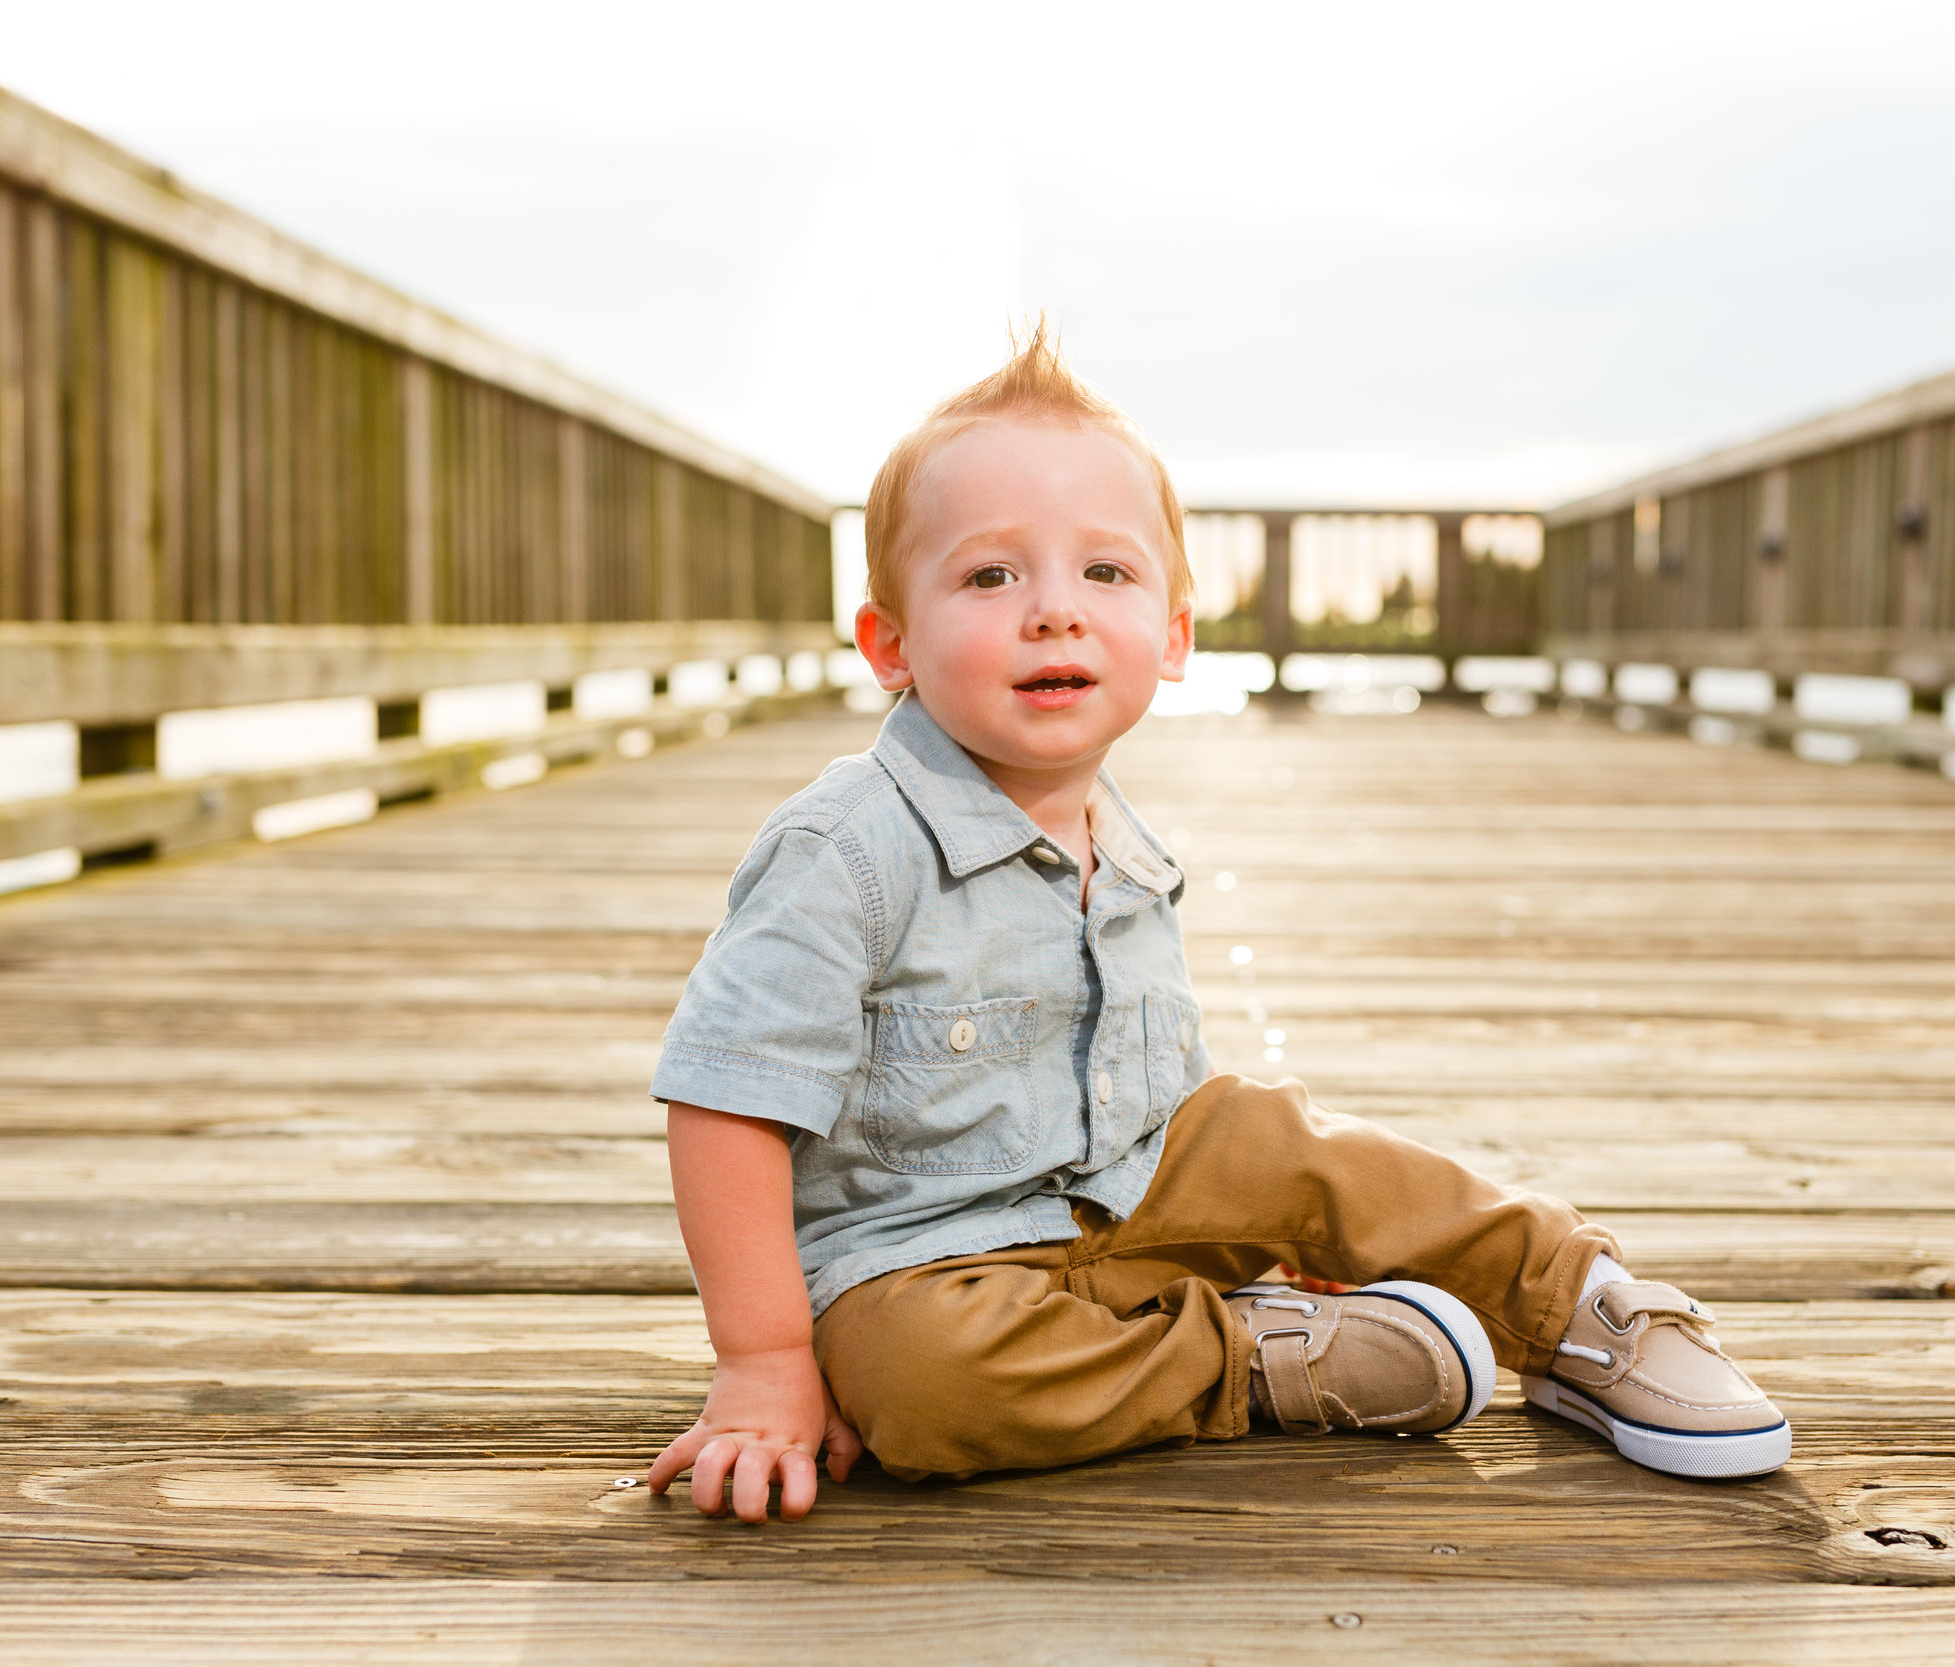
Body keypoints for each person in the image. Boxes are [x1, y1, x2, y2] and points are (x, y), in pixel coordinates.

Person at [643, 325, 1788, 1524]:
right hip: (931, 1261)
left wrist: (1271, 1213)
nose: (1053, 613)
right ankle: (1250, 1359)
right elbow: (724, 1102)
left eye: (1106, 574)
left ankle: (1581, 1303)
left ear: (1175, 635)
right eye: (989, 576)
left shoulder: (1125, 841)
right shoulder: (844, 848)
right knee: (914, 1387)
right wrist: (767, 1362)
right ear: (890, 643)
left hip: (1134, 1195)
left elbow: (1157, 1091)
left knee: (1297, 1147)